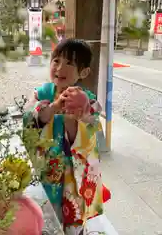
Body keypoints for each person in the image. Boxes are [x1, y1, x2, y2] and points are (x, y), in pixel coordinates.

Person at [23, 38, 111, 235]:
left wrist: (79, 114)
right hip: (47, 165)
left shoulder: (88, 98)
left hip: (73, 171)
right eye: (56, 61)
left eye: (69, 63)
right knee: (46, 212)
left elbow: (90, 122)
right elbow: (30, 117)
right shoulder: (42, 92)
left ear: (84, 72)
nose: (60, 68)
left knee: (73, 211)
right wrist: (53, 107)